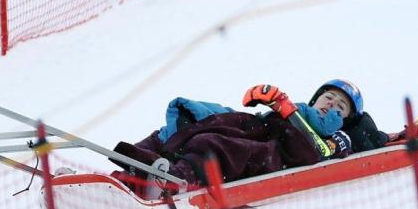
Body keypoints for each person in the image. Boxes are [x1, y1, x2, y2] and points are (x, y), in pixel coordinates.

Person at [110, 79, 389, 198]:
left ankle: (173, 179)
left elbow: (316, 152)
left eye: (341, 107)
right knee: (192, 122)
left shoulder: (340, 137)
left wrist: (283, 107)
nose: (332, 105)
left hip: (272, 150)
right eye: (329, 97)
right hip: (257, 126)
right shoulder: (299, 110)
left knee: (213, 145)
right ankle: (123, 176)